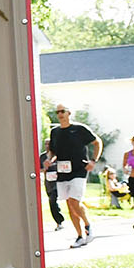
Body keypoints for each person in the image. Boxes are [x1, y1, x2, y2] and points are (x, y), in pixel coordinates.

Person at [45, 105, 101, 247]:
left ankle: (88, 226)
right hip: (63, 172)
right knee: (70, 205)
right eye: (57, 112)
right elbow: (52, 151)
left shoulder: (79, 129)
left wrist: (93, 161)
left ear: (69, 113)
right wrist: (49, 160)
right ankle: (79, 236)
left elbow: (97, 142)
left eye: (62, 111)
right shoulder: (55, 132)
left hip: (79, 170)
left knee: (74, 201)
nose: (60, 114)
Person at [42, 151, 66, 232]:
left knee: (53, 200)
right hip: (49, 184)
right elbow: (38, 169)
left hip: (59, 182)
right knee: (52, 202)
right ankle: (59, 220)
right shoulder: (42, 157)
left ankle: (61, 221)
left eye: (49, 143)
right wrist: (44, 169)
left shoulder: (59, 155)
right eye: (46, 144)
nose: (47, 145)